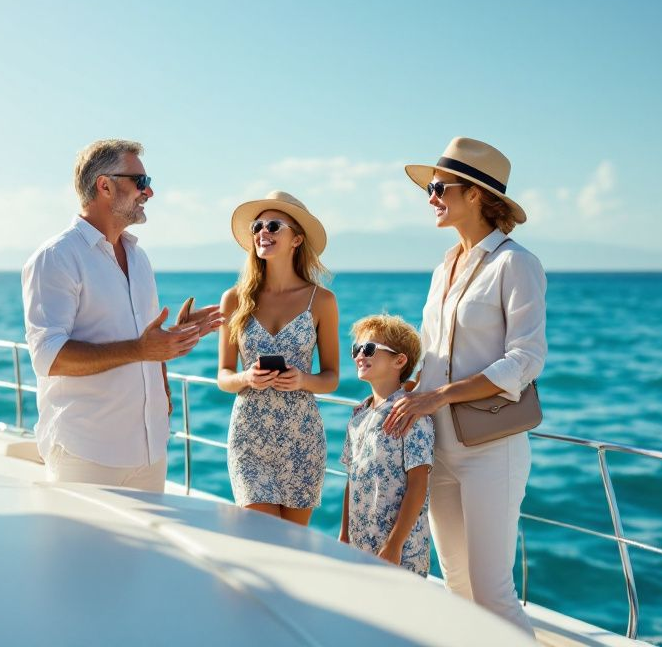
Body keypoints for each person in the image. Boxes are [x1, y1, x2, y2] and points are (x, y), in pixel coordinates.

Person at [383, 137, 546, 634]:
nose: (430, 198)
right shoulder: (443, 267)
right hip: (438, 447)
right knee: (455, 586)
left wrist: (441, 395)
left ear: (474, 194)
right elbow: (436, 355)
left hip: (492, 449)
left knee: (493, 593)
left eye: (439, 188)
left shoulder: (515, 263)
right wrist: (405, 388)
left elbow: (526, 359)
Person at [22, 139, 223, 492]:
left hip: (149, 450)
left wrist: (174, 339)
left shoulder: (138, 257)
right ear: (104, 185)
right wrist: (141, 350)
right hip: (87, 453)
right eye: (141, 182)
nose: (150, 192)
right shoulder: (56, 257)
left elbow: (144, 339)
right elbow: (48, 357)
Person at [216, 191, 339, 526]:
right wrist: (245, 378)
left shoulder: (322, 301)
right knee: (261, 538)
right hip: (249, 438)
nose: (262, 232)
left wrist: (303, 379)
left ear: (296, 238)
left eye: (273, 225)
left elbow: (331, 377)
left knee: (292, 549)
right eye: (257, 226)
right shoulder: (234, 299)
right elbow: (224, 375)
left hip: (302, 438)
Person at [338, 314, 433, 576]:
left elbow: (418, 484)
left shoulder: (411, 413)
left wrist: (394, 545)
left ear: (399, 360)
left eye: (369, 349)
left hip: (400, 550)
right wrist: (344, 534)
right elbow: (352, 479)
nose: (359, 355)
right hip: (360, 542)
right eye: (356, 349)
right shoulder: (358, 414)